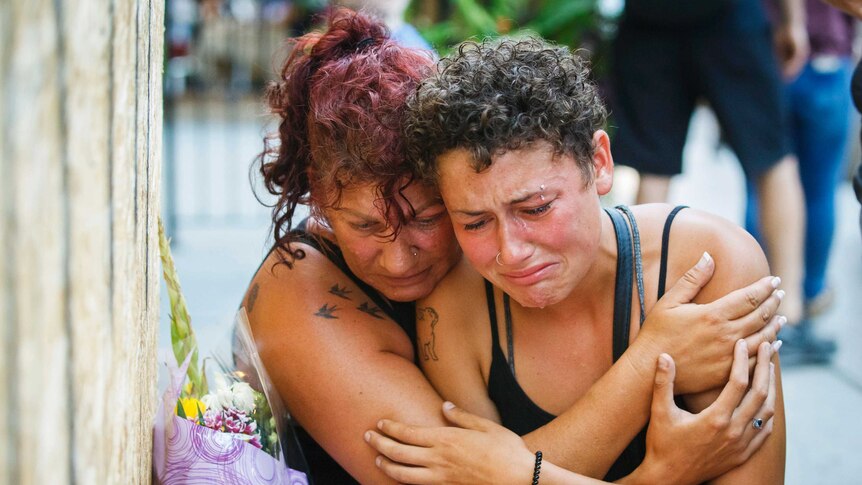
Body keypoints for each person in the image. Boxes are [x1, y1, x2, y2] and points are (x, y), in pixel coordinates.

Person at [244, 9, 785, 483]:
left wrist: (515, 470)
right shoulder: (339, 293)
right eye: (365, 227)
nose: (403, 256)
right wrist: (661, 466)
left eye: (430, 218)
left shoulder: (700, 260)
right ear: (318, 198)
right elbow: (466, 483)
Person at [610, 0, 809, 329]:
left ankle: (642, 316)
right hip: (729, 18)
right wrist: (793, 21)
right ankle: (792, 313)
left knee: (653, 168)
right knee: (773, 160)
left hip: (649, 20)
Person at [744, 0, 853, 365]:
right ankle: (806, 301)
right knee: (819, 188)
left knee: (763, 183)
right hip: (821, 54)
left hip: (764, 55)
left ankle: (758, 305)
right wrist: (798, 23)